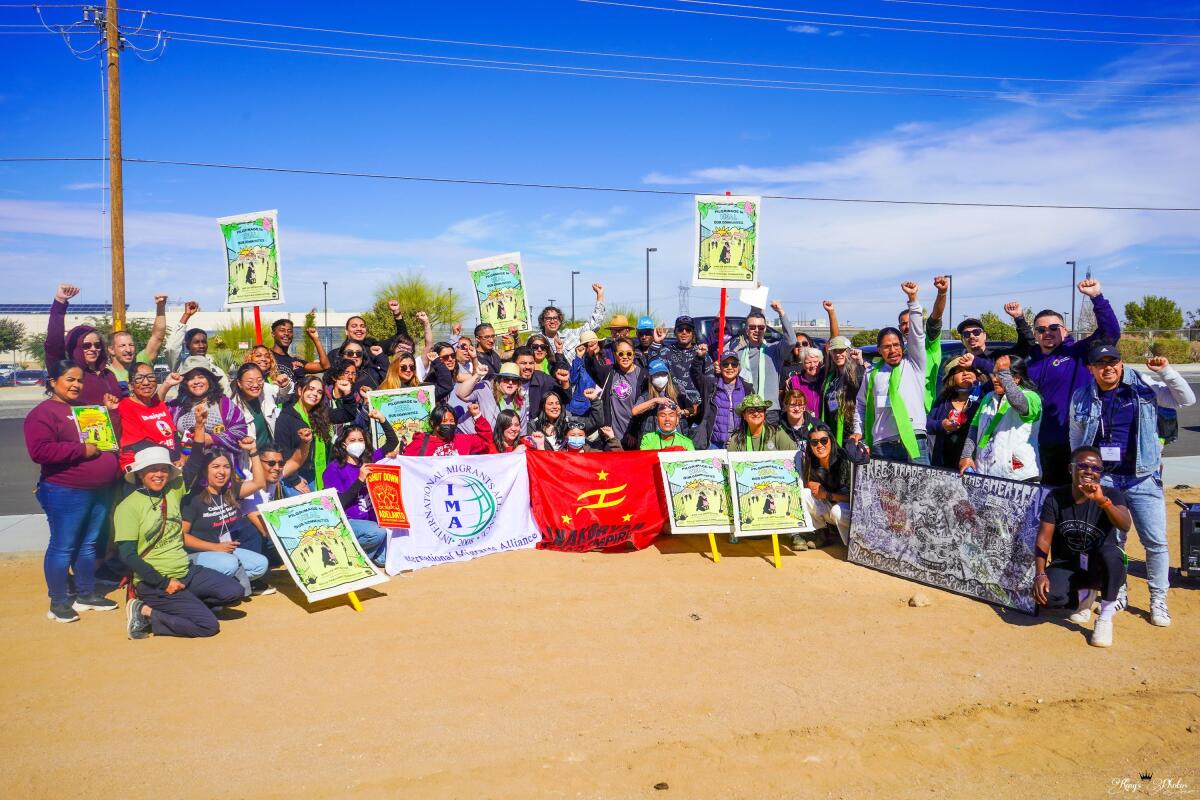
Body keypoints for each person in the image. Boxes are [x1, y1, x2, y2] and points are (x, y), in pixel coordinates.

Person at [1069, 344, 1195, 627]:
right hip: (1107, 480)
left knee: (1156, 542)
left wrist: (1166, 371)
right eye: (1100, 363)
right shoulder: (1082, 397)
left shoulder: (1144, 386)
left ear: (1121, 363)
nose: (1108, 368)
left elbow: (1185, 399)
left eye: (1112, 361)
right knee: (1114, 542)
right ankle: (1119, 591)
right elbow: (1076, 437)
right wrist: (1080, 473)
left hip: (1143, 476)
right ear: (1091, 368)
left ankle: (1158, 599)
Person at [23, 359, 122, 622]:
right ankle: (58, 601)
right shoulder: (43, 413)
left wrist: (110, 413)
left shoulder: (86, 410)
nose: (76, 384)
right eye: (70, 379)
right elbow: (39, 451)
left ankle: (85, 594)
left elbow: (106, 439)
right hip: (65, 490)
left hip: (99, 489)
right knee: (63, 546)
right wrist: (81, 450)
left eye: (80, 380)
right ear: (53, 382)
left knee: (88, 545)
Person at [117, 446, 245, 639]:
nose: (159, 474)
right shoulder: (128, 507)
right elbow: (127, 555)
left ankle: (186, 605)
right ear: (141, 473)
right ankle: (145, 612)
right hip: (155, 582)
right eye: (153, 469)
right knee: (207, 626)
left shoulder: (173, 492)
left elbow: (193, 465)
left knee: (234, 591)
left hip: (186, 571)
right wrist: (163, 582)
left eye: (164, 469)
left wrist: (200, 428)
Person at [1034, 446, 1133, 648]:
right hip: (1068, 564)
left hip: (1100, 565)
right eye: (1083, 465)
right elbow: (1044, 538)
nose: (1089, 471)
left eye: (1096, 468)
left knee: (1113, 555)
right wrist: (1040, 573)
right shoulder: (1056, 497)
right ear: (1071, 469)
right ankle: (1084, 595)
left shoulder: (1111, 495)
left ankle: (1105, 616)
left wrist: (1101, 501)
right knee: (1047, 598)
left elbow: (1125, 524)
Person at [1027, 278, 1121, 486]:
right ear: (1035, 334)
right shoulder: (1030, 361)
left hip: (1081, 439)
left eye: (1053, 327)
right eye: (1041, 330)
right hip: (1043, 442)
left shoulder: (1078, 352)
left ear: (1064, 330)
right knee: (1051, 495)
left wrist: (1097, 298)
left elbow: (1110, 333)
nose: (1047, 332)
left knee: (1084, 495)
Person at [852, 282, 929, 464]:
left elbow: (917, 336)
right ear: (879, 350)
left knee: (919, 490)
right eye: (887, 347)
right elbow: (861, 405)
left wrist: (913, 300)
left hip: (913, 437)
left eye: (896, 345)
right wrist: (858, 430)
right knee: (888, 493)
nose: (893, 350)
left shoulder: (914, 364)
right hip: (883, 443)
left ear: (903, 346)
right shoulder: (872, 373)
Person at [181, 442, 271, 598]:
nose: (221, 472)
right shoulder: (193, 498)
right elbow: (181, 537)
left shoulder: (230, 491)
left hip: (222, 551)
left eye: (226, 467)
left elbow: (259, 483)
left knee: (260, 564)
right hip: (194, 555)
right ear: (204, 470)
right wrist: (214, 547)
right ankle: (201, 589)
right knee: (229, 564)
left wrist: (254, 451)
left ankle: (221, 585)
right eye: (215, 467)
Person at [321, 412, 399, 565]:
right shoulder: (334, 469)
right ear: (343, 443)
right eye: (352, 440)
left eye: (361, 440)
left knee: (387, 558)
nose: (357, 443)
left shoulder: (369, 460)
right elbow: (338, 504)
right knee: (378, 533)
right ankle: (348, 558)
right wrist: (360, 480)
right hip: (349, 521)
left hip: (370, 521)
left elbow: (392, 442)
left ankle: (362, 557)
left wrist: (382, 419)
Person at [958, 355, 1042, 482]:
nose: (995, 379)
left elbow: (1019, 404)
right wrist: (966, 455)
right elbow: (974, 429)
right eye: (995, 375)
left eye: (1001, 375)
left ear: (1017, 378)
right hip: (986, 473)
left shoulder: (1032, 397)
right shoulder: (988, 398)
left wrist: (1005, 374)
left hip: (1020, 477)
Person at [44, 284, 123, 405]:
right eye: (86, 346)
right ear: (75, 348)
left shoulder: (108, 374)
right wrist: (60, 303)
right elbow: (53, 344)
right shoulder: (67, 372)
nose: (93, 349)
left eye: (97, 345)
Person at [274, 375, 357, 489]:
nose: (315, 394)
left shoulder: (321, 413)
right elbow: (282, 451)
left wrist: (348, 393)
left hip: (321, 473)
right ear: (299, 391)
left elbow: (348, 414)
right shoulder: (286, 418)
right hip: (298, 478)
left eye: (319, 392)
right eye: (310, 389)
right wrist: (294, 480)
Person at [732, 299, 797, 424]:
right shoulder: (739, 354)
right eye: (752, 327)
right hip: (747, 408)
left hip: (770, 410)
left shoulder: (774, 350)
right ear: (746, 330)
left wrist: (781, 312)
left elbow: (791, 341)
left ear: (765, 329)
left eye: (761, 327)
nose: (757, 330)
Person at [169, 360, 248, 459]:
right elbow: (154, 412)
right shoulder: (178, 406)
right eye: (191, 378)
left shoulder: (223, 403)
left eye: (201, 377)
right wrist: (166, 385)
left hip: (219, 466)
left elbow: (240, 431)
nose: (196, 381)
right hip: (189, 466)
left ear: (209, 380)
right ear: (185, 383)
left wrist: (212, 439)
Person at [117, 362, 179, 470]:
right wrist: (174, 456)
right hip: (143, 466)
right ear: (131, 384)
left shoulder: (159, 404)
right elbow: (139, 444)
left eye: (150, 377)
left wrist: (181, 456)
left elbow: (173, 435)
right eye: (139, 378)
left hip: (169, 463)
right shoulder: (125, 406)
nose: (146, 382)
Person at [927, 354, 986, 469]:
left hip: (974, 466)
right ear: (951, 377)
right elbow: (927, 423)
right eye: (959, 371)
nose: (965, 373)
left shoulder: (985, 399)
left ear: (977, 375)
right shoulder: (944, 400)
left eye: (970, 370)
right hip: (943, 464)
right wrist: (942, 425)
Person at [800, 423, 853, 549]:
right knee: (804, 493)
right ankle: (821, 532)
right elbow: (806, 483)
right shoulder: (811, 462)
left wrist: (827, 495)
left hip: (849, 509)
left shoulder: (844, 460)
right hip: (830, 506)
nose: (819, 446)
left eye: (824, 441)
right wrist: (810, 483)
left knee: (837, 512)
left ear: (831, 441)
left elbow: (855, 498)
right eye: (814, 442)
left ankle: (852, 544)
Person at [647, 314, 711, 416]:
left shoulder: (701, 352)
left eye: (688, 329)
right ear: (675, 332)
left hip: (698, 411)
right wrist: (657, 343)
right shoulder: (666, 352)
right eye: (680, 329)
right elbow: (652, 366)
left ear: (693, 333)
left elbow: (710, 383)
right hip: (672, 410)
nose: (684, 332)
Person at [106, 293, 167, 394]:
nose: (128, 350)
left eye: (131, 345)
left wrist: (161, 307)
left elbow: (157, 337)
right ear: (111, 349)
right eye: (122, 346)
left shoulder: (141, 362)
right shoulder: (106, 374)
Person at [697, 351, 753, 450]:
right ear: (720, 366)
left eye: (734, 364)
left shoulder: (746, 387)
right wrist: (699, 358)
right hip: (715, 444)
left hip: (739, 441)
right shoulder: (711, 384)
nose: (730, 367)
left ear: (739, 367)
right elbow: (696, 375)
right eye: (725, 364)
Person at [955, 301, 1035, 368]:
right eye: (966, 334)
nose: (972, 336)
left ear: (984, 335)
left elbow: (1028, 345)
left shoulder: (1000, 357)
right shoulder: (958, 364)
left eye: (976, 332)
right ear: (962, 340)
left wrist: (1019, 318)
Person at [631, 358, 695, 442]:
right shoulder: (646, 395)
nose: (660, 377)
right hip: (653, 439)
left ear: (668, 375)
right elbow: (635, 411)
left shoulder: (678, 390)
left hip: (677, 437)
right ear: (651, 377)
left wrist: (681, 412)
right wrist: (655, 400)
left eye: (663, 374)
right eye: (657, 375)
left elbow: (692, 410)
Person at [539, 282, 606, 359]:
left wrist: (600, 296)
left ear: (560, 321)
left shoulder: (569, 335)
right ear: (542, 322)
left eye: (555, 318)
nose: (552, 321)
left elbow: (593, 326)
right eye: (548, 318)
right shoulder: (536, 339)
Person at [819, 335, 864, 446]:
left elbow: (863, 386)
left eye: (841, 351)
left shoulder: (856, 372)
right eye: (835, 351)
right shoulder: (830, 376)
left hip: (850, 429)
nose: (838, 354)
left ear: (848, 352)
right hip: (832, 427)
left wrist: (860, 363)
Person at [404, 403, 492, 456]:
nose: (449, 424)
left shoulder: (462, 440)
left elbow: (485, 441)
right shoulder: (420, 443)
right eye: (444, 421)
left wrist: (477, 416)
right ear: (433, 423)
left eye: (452, 421)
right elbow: (405, 463)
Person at [268, 316, 331, 382]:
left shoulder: (297, 363)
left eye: (290, 331)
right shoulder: (266, 356)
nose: (286, 333)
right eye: (282, 330)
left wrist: (316, 339)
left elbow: (325, 366)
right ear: (273, 334)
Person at [727, 394, 795, 452]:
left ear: (764, 413)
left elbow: (793, 453)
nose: (756, 413)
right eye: (751, 410)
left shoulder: (776, 433)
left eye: (760, 409)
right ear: (744, 415)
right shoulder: (736, 438)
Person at [783, 346, 825, 412]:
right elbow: (787, 405)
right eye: (808, 362)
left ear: (821, 362)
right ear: (803, 364)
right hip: (803, 420)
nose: (812, 365)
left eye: (815, 361)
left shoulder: (826, 378)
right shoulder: (794, 381)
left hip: (824, 420)